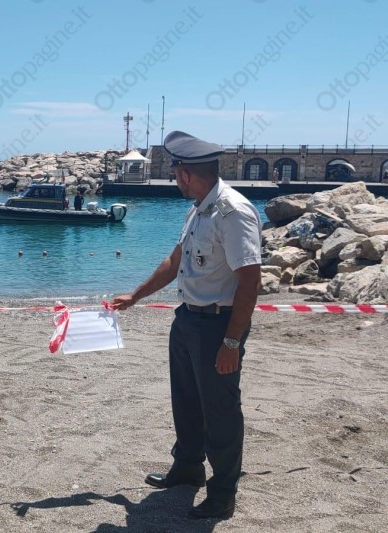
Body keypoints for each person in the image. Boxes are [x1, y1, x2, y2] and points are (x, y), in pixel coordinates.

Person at [112, 131, 262, 520]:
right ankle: (188, 467)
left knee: (220, 411)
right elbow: (175, 260)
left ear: (185, 174)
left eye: (176, 172)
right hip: (188, 318)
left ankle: (222, 493)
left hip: (218, 325)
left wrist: (231, 342)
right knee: (187, 400)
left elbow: (250, 281)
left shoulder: (233, 212)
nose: (175, 179)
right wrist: (135, 296)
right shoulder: (198, 209)